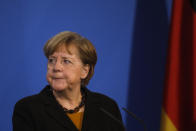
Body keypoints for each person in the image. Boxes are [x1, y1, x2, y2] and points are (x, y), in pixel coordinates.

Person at [12, 31, 124, 131]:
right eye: (51, 60)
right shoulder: (29, 109)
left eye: (66, 61)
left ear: (84, 71)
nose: (56, 67)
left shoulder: (107, 107)